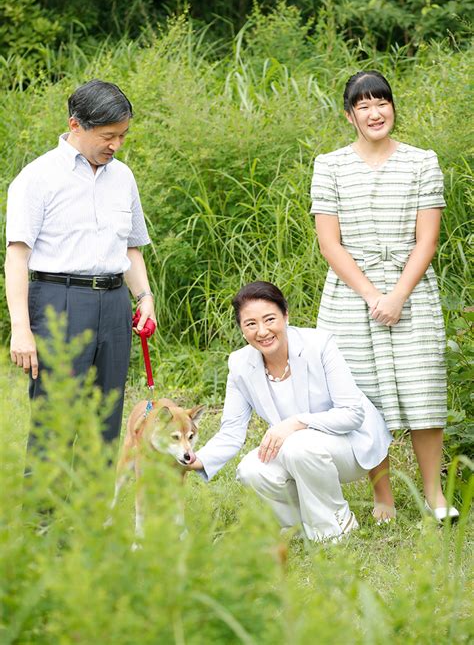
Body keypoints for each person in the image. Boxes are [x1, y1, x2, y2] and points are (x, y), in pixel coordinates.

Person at [310, 70, 459, 522]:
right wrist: (373, 294)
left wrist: (397, 295)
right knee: (361, 397)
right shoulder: (330, 165)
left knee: (424, 390)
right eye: (364, 106)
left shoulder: (421, 161)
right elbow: (329, 243)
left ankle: (435, 496)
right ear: (350, 115)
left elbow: (427, 240)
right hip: (350, 296)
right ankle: (384, 498)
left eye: (382, 103)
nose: (376, 113)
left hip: (412, 291)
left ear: (393, 107)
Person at [5, 79, 155, 443]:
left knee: (105, 418)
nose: (115, 145)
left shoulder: (123, 177)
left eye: (122, 135)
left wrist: (144, 297)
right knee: (55, 422)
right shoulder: (37, 178)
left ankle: (94, 501)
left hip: (115, 303)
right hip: (59, 301)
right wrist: (21, 328)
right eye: (108, 136)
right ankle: (44, 502)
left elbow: (131, 247)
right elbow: (16, 256)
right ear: (76, 125)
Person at [186, 281, 392, 542]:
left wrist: (296, 423)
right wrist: (197, 459)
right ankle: (301, 527)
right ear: (241, 328)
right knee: (252, 469)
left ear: (285, 315)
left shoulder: (319, 344)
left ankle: (337, 527)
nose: (262, 331)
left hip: (351, 445)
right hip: (300, 450)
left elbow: (352, 414)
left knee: (298, 445)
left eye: (269, 319)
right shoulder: (240, 363)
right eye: (250, 324)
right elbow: (231, 431)